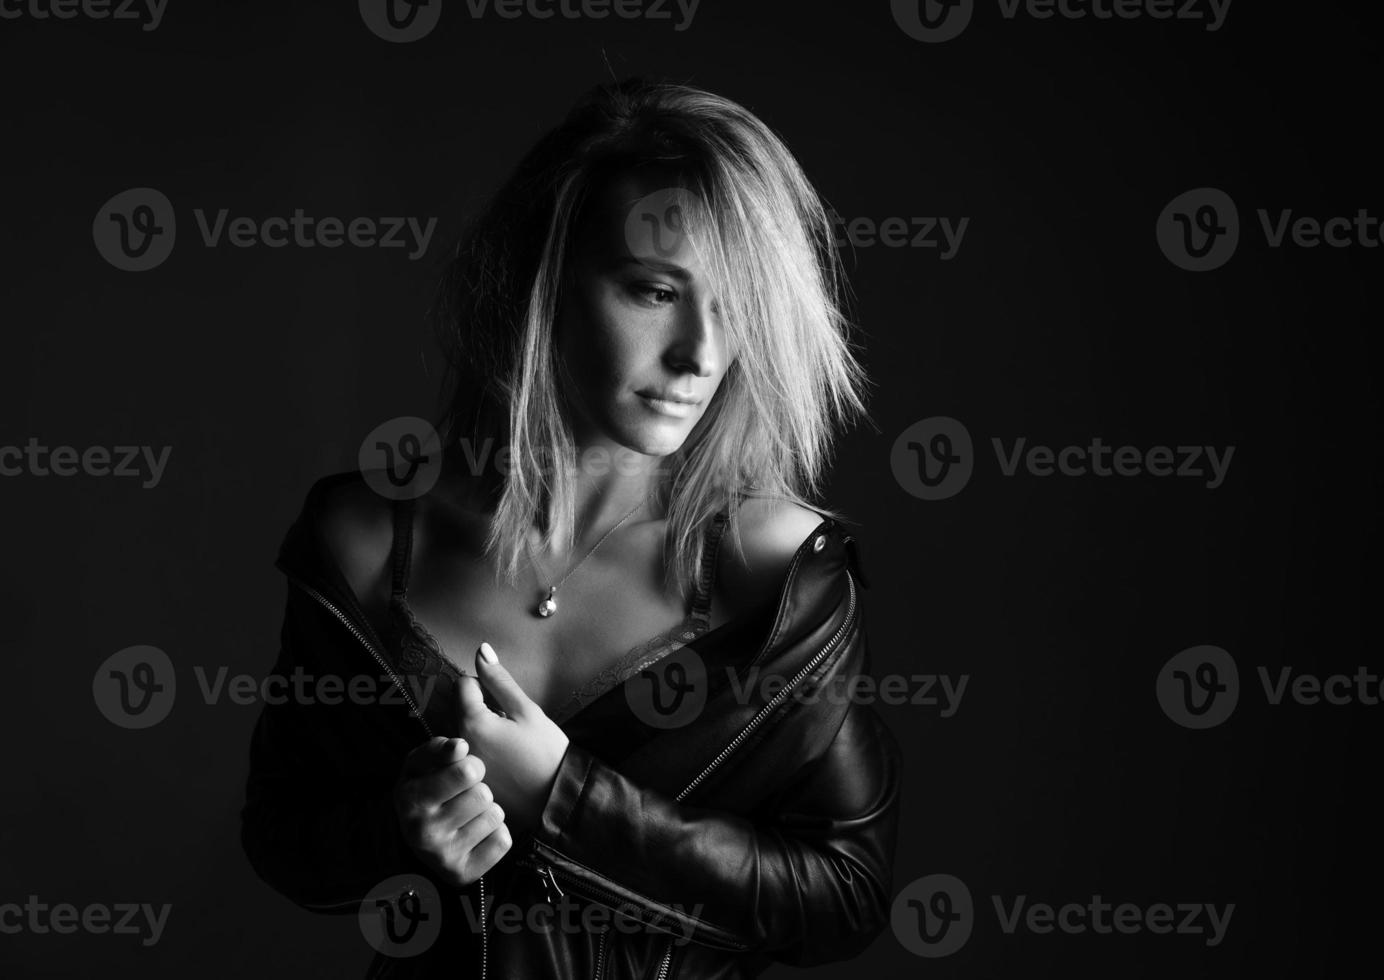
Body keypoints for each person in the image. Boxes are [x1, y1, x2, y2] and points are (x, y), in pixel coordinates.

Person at [241, 77, 902, 978]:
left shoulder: (781, 572)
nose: (702, 354)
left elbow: (845, 898)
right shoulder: (361, 540)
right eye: (654, 290)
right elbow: (282, 838)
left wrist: (565, 797)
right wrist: (402, 827)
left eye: (737, 304)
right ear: (543, 286)